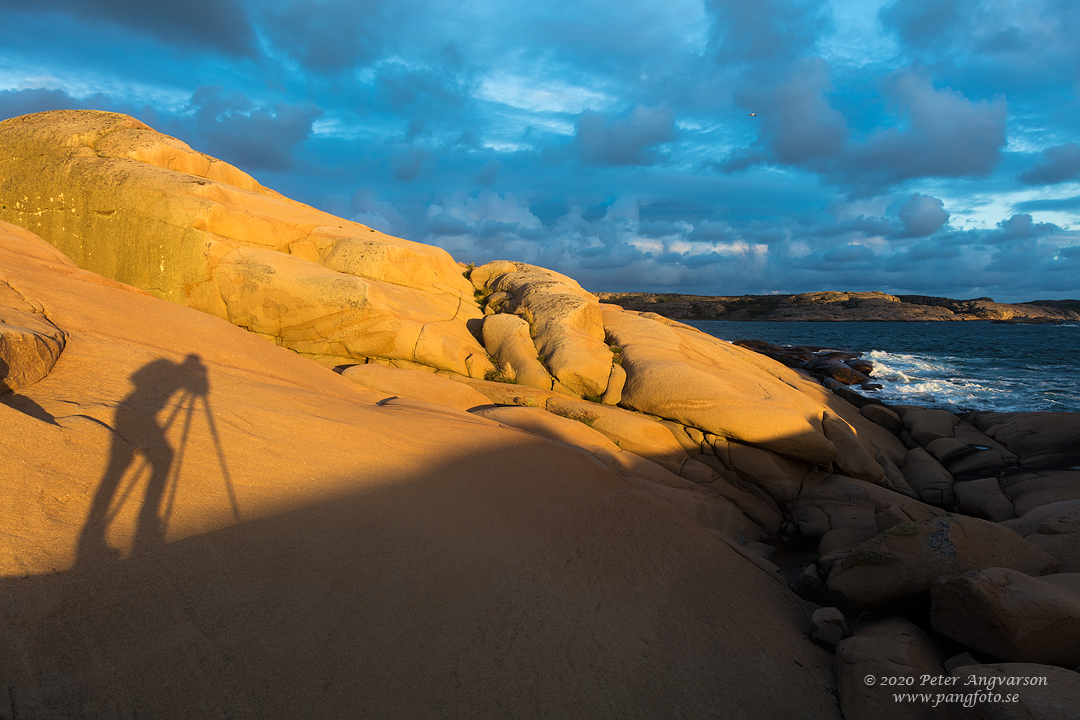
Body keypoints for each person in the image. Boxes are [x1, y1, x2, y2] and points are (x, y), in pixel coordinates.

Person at [77, 354, 209, 563]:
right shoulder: (172, 367)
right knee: (127, 466)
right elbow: (201, 391)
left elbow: (138, 379)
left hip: (130, 408)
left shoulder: (167, 366)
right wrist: (196, 377)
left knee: (121, 468)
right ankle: (138, 529)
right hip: (134, 412)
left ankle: (100, 534)